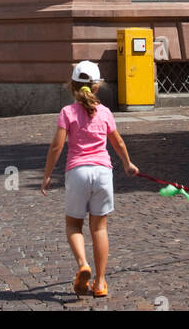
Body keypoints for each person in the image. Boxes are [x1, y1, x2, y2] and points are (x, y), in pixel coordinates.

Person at [41, 60, 138, 299]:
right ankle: (101, 282)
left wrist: (46, 175)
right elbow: (118, 142)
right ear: (97, 87)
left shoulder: (68, 113)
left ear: (73, 86)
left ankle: (83, 264)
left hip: (77, 172)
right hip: (103, 172)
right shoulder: (105, 112)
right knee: (99, 227)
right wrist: (128, 164)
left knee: (74, 225)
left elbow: (56, 147)